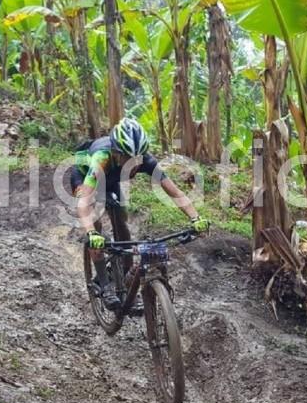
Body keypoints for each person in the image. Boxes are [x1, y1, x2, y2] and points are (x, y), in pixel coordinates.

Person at [70, 118, 209, 310]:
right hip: (85, 177)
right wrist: (92, 233)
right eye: (128, 159)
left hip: (111, 181)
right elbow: (84, 201)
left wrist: (196, 217)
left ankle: (128, 286)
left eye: (137, 159)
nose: (134, 165)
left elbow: (176, 193)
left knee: (123, 227)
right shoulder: (102, 158)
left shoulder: (144, 159)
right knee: (95, 225)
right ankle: (104, 284)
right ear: (117, 153)